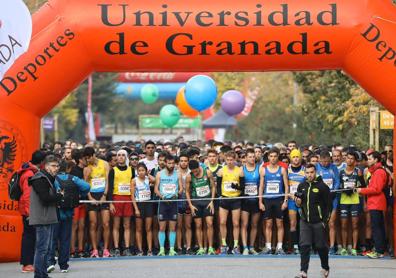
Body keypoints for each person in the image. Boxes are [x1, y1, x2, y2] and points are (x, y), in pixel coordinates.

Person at [47, 161, 89, 273]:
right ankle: (63, 265)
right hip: (69, 213)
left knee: (52, 239)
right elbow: (87, 186)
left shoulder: (53, 179)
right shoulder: (73, 178)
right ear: (68, 169)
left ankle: (50, 262)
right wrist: (79, 194)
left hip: (55, 213)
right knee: (65, 239)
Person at [292, 163, 332, 278]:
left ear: (315, 172)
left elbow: (329, 206)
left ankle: (325, 267)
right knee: (304, 245)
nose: (309, 175)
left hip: (319, 222)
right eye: (307, 173)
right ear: (305, 173)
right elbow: (299, 204)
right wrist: (297, 202)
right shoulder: (302, 185)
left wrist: (325, 221)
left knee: (320, 246)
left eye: (311, 172)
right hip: (305, 221)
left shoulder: (323, 187)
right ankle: (303, 271)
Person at [29, 155, 63, 278]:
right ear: (46, 167)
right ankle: (39, 275)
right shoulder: (40, 178)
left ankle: (43, 274)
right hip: (42, 218)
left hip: (46, 217)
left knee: (46, 248)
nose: (56, 168)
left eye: (57, 166)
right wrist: (59, 196)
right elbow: (45, 198)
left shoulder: (47, 178)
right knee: (42, 249)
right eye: (53, 166)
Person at [19, 150, 46, 273]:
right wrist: (30, 214)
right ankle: (27, 264)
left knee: (30, 236)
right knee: (29, 237)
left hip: (29, 210)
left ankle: (29, 262)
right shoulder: (30, 174)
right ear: (41, 162)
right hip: (29, 212)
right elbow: (27, 196)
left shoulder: (29, 171)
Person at [357, 151, 388, 259]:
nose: (368, 161)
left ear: (376, 160)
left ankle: (379, 251)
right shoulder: (375, 171)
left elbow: (377, 189)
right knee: (378, 226)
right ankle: (381, 250)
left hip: (377, 202)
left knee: (377, 227)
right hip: (375, 202)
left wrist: (362, 190)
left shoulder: (379, 172)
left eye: (370, 159)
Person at [259, 147, 289, 255]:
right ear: (268, 157)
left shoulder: (282, 170)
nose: (273, 158)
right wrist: (260, 202)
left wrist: (285, 201)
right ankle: (268, 247)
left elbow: (286, 186)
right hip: (267, 200)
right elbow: (261, 186)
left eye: (275, 156)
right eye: (271, 156)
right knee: (268, 224)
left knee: (280, 224)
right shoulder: (263, 169)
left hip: (278, 200)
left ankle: (279, 247)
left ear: (278, 157)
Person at [83, 147, 111, 258]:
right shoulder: (87, 168)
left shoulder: (104, 164)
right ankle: (94, 249)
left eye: (89, 157)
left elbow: (108, 181)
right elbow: (85, 185)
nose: (87, 160)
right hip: (92, 196)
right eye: (86, 158)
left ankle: (105, 249)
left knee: (106, 224)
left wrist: (104, 196)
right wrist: (90, 198)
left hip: (103, 194)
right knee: (93, 224)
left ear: (94, 155)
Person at [186, 160, 216, 255]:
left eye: (196, 171)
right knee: (198, 225)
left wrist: (212, 201)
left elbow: (213, 187)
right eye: (193, 171)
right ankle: (201, 248)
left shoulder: (207, 172)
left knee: (209, 223)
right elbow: (187, 191)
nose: (195, 173)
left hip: (207, 201)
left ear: (199, 167)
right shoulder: (189, 176)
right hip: (196, 202)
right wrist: (190, 205)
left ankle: (210, 247)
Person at [217, 151, 245, 255]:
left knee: (236, 223)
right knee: (223, 222)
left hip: (236, 199)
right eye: (227, 160)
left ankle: (236, 246)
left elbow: (243, 187)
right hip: (224, 199)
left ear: (234, 160)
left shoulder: (240, 171)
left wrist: (236, 187)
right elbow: (218, 186)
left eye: (231, 160)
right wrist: (220, 196)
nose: (229, 162)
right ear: (225, 160)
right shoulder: (221, 171)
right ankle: (224, 245)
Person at [154, 154, 183, 256]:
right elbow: (156, 189)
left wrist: (177, 194)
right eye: (169, 163)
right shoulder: (159, 174)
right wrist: (161, 196)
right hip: (163, 203)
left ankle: (171, 249)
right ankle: (161, 249)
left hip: (173, 203)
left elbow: (181, 189)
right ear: (165, 163)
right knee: (162, 228)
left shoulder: (178, 174)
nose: (171, 165)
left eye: (173, 163)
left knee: (172, 228)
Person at [108, 149, 134, 256]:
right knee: (116, 225)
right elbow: (109, 187)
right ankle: (117, 248)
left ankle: (127, 248)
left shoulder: (131, 170)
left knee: (127, 225)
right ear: (116, 157)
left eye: (123, 155)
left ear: (126, 157)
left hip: (128, 198)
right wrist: (110, 203)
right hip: (116, 198)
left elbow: (134, 185)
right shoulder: (112, 170)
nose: (121, 157)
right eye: (119, 155)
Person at [339, 151, 366, 256]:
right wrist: (343, 189)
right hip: (344, 200)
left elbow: (363, 187)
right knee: (344, 225)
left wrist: (360, 178)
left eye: (352, 159)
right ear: (345, 159)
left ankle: (354, 248)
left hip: (355, 200)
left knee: (355, 225)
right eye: (348, 158)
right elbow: (338, 185)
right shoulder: (341, 172)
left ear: (355, 161)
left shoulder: (358, 171)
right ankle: (344, 248)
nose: (349, 160)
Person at [316, 150, 340, 255]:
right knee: (321, 223)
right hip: (320, 198)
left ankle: (331, 246)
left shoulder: (333, 167)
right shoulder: (316, 167)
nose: (325, 163)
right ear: (320, 160)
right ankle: (320, 245)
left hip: (332, 198)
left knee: (331, 223)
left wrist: (333, 191)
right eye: (323, 161)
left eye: (327, 161)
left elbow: (338, 181)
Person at [131, 163, 156, 256]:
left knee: (148, 228)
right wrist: (136, 209)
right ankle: (140, 250)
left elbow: (156, 180)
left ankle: (149, 250)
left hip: (148, 204)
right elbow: (132, 196)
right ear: (137, 172)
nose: (141, 172)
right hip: (139, 204)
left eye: (143, 170)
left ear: (145, 171)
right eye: (139, 171)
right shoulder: (134, 181)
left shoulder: (147, 179)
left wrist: (148, 174)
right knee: (139, 229)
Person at [241, 148, 260, 255]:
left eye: (253, 157)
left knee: (254, 224)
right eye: (250, 157)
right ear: (246, 158)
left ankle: (252, 246)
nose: (252, 158)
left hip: (256, 200)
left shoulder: (259, 168)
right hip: (245, 200)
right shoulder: (241, 169)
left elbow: (262, 184)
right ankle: (245, 247)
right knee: (244, 224)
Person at [69, 149, 87, 258]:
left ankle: (80, 249)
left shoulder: (86, 169)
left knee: (82, 226)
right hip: (75, 202)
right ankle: (72, 250)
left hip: (84, 202)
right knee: (74, 227)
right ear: (80, 160)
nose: (87, 160)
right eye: (85, 158)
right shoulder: (74, 171)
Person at [288, 149, 306, 254]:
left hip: (302, 200)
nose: (296, 159)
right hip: (291, 200)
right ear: (291, 158)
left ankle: (303, 245)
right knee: (293, 223)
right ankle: (294, 246)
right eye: (294, 157)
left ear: (300, 158)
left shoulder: (304, 169)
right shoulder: (287, 169)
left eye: (297, 156)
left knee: (304, 223)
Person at [176, 153, 192, 254]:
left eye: (185, 161)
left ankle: (188, 247)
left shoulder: (191, 172)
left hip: (188, 200)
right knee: (178, 225)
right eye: (181, 161)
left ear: (188, 162)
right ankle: (179, 247)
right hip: (178, 200)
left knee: (188, 225)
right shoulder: (175, 173)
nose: (183, 162)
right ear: (178, 162)